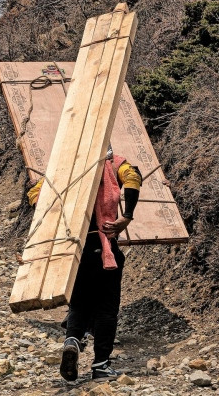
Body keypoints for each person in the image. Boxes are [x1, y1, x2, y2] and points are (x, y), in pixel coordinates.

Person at [27, 148, 141, 381]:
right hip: (102, 243)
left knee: (79, 302)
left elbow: (35, 196)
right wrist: (126, 215)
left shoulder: (63, 168)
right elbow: (133, 178)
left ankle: (72, 341)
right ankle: (100, 366)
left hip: (72, 248)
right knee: (106, 307)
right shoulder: (113, 163)